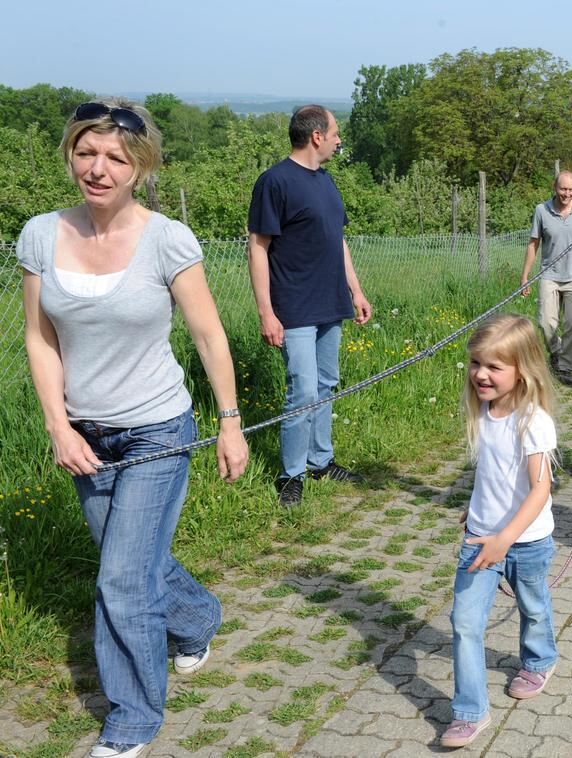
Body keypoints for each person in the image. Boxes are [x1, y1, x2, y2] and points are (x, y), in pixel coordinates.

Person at [17, 98, 249, 758]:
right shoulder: (40, 235)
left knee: (121, 579)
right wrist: (59, 427)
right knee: (134, 565)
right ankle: (199, 617)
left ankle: (133, 719)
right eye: (86, 152)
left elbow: (208, 335)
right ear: (69, 154)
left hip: (157, 431)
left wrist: (230, 424)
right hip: (86, 434)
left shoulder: (167, 239)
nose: (98, 168)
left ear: (140, 168)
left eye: (116, 158)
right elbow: (39, 340)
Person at [441, 314, 559, 749]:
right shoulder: (483, 413)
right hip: (479, 538)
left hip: (526, 543)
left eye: (494, 366)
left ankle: (539, 659)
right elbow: (492, 475)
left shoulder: (534, 421)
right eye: (476, 363)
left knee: (532, 605)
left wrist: (506, 537)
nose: (481, 375)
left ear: (522, 370)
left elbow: (541, 488)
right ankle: (470, 711)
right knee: (465, 622)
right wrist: (476, 511)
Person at [247, 105, 372, 506]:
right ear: (316, 136)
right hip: (294, 307)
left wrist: (356, 290)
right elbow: (258, 247)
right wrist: (266, 311)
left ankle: (321, 461)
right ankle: (291, 475)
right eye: (335, 133)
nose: (339, 139)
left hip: (330, 302)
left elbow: (338, 240)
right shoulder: (274, 182)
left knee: (325, 385)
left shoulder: (327, 180)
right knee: (301, 389)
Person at [520, 171, 572, 385]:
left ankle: (565, 367)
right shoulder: (541, 210)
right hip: (550, 274)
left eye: (570, 189)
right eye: (562, 189)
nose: (566, 194)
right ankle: (556, 352)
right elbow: (533, 244)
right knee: (546, 322)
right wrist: (525, 276)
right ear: (554, 187)